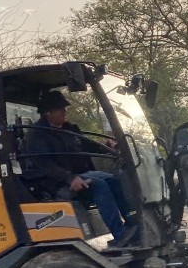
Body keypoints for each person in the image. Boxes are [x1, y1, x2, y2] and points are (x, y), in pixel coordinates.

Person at [23, 90, 139, 246]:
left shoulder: (69, 129)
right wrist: (69, 178)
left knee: (112, 180)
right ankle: (120, 234)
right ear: (48, 112)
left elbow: (86, 145)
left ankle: (132, 224)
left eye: (65, 108)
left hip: (78, 174)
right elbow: (44, 165)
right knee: (99, 185)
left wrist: (106, 147)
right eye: (60, 108)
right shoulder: (37, 135)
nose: (65, 111)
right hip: (55, 183)